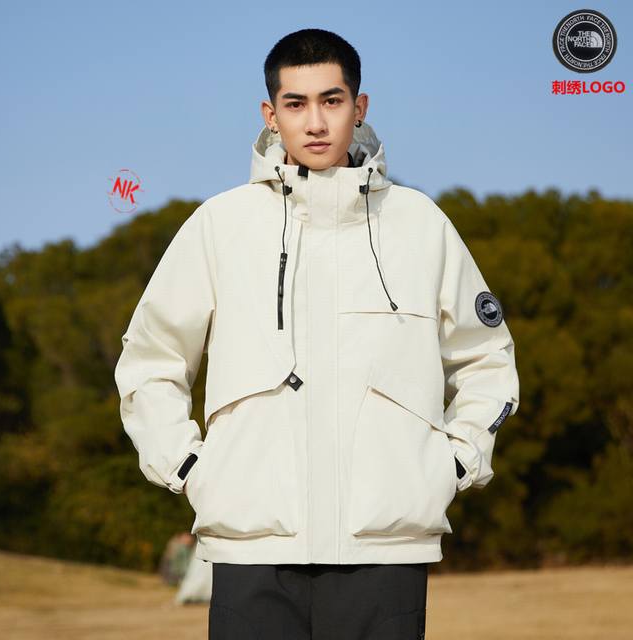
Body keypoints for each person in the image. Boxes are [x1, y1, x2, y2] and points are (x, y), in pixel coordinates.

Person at [114, 28, 520, 640]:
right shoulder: (219, 225)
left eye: (332, 101)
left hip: (387, 548)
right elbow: (151, 360)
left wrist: (455, 462)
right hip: (251, 546)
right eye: (296, 103)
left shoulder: (421, 225)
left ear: (359, 107)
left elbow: (487, 357)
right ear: (270, 114)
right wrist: (190, 466)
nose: (315, 122)